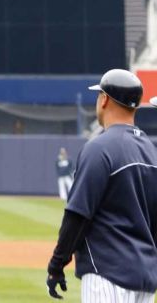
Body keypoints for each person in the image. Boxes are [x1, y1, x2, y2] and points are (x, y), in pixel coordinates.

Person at [46, 69, 157, 302]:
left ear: (105, 99)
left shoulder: (100, 148)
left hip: (107, 274)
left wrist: (57, 265)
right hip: (145, 280)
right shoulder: (150, 150)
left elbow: (77, 214)